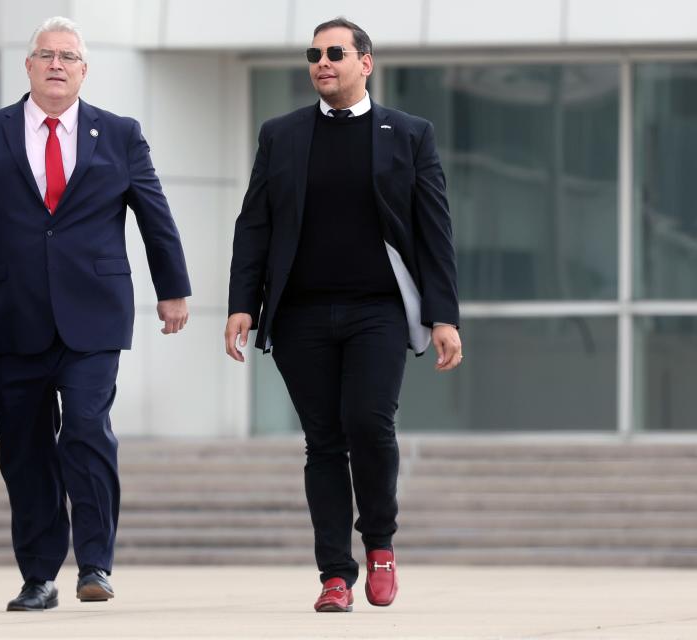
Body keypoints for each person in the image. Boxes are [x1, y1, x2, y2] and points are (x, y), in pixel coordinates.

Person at [0, 16, 191, 612]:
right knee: (23, 448)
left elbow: (155, 216)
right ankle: (39, 574)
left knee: (84, 429)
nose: (56, 64)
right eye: (46, 55)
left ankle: (95, 561)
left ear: (84, 69)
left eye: (68, 56)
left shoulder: (120, 134)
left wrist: (172, 289)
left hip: (94, 316)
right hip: (11, 314)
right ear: (28, 66)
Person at [225, 17, 462, 613]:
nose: (322, 62)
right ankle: (335, 574)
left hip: (377, 311)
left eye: (335, 52)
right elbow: (255, 225)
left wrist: (443, 316)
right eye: (313, 53)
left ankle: (379, 542)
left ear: (365, 63)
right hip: (300, 315)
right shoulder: (281, 135)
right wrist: (240, 306)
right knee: (323, 442)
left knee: (368, 424)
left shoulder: (408, 133)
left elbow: (434, 232)